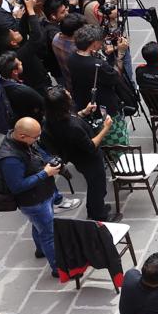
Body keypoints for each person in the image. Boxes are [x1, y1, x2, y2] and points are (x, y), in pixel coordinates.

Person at [0, 117, 81, 276]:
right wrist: (45, 173)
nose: (37, 140)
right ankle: (60, 269)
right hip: (34, 201)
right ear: (22, 136)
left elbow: (39, 154)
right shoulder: (9, 159)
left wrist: (51, 162)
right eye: (35, 137)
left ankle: (41, 250)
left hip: (43, 193)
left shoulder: (22, 141)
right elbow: (17, 186)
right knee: (49, 234)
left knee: (40, 225)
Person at [42, 88, 113, 223]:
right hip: (89, 158)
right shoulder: (73, 127)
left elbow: (71, 116)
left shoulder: (51, 119)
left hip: (76, 157)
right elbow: (91, 146)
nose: (70, 94)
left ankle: (94, 209)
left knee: (93, 184)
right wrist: (106, 128)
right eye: (67, 95)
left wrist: (83, 112)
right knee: (97, 186)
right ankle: (99, 215)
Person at [66, 25, 135, 146]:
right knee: (117, 140)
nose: (102, 44)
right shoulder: (97, 65)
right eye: (100, 42)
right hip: (105, 106)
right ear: (93, 44)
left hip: (84, 103)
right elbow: (115, 77)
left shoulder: (72, 58)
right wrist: (120, 53)